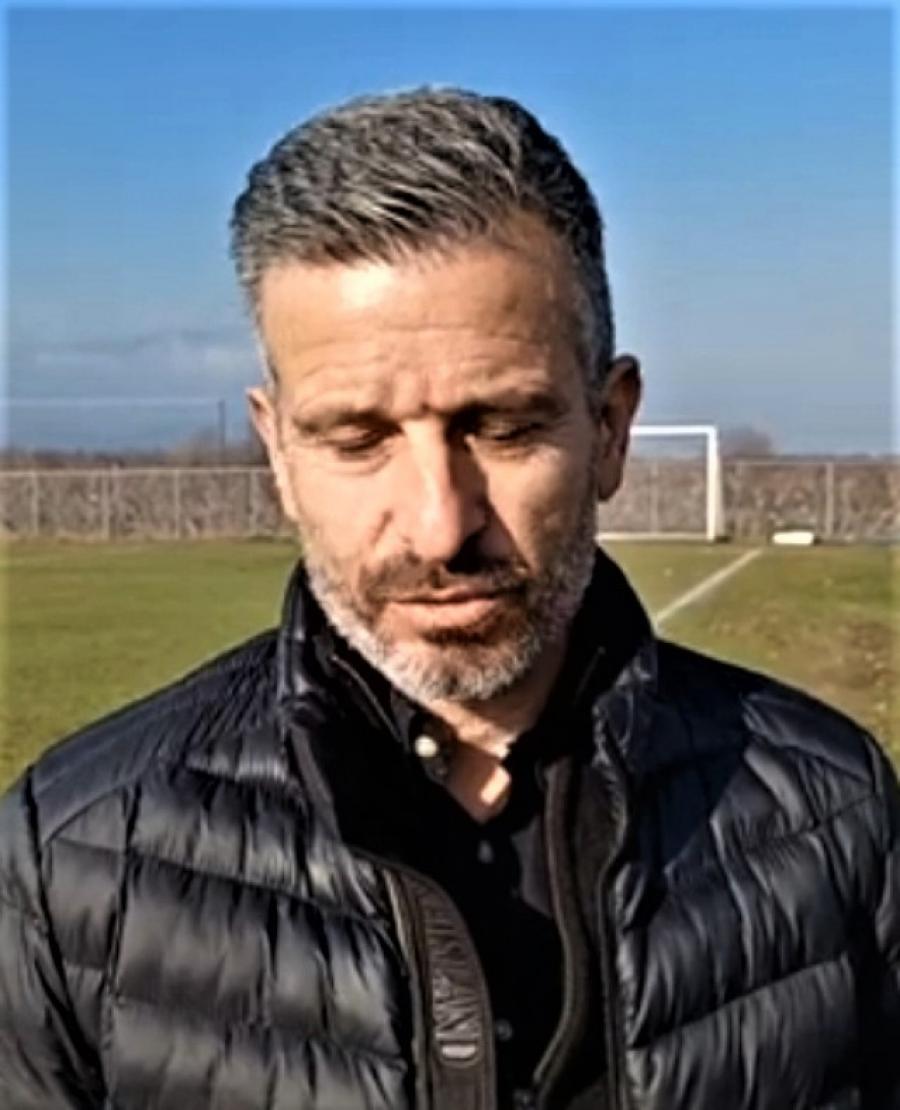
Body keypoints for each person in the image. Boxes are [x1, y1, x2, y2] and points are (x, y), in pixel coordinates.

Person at [0, 87, 897, 1110]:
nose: (440, 525)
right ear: (279, 453)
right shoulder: (74, 853)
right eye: (357, 438)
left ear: (609, 429)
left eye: (504, 428)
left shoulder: (837, 812)